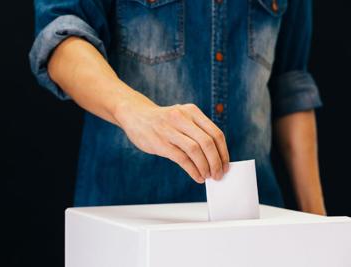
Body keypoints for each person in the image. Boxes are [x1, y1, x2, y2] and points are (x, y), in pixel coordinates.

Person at [29, 0, 326, 214]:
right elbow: (60, 37)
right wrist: (133, 110)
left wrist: (318, 222)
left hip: (252, 224)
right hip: (128, 220)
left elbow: (291, 83)